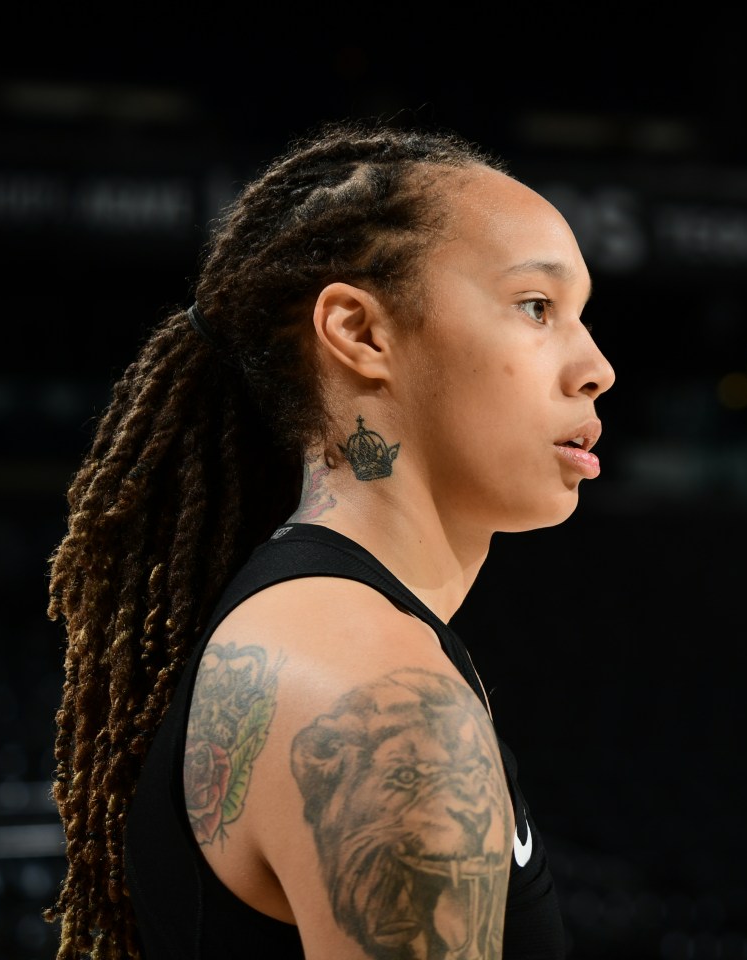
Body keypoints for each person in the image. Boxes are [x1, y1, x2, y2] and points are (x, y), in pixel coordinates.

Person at [44, 120, 615, 959]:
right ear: (360, 332)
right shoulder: (373, 681)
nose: (595, 365)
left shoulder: (335, 634)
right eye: (537, 307)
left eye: (581, 316)